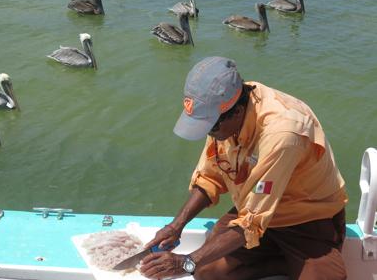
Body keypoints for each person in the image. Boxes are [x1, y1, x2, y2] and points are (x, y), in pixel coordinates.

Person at [139, 56, 348, 280]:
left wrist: (187, 262)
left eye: (211, 128)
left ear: (236, 113)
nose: (210, 134)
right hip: (253, 210)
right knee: (206, 272)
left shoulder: (283, 133)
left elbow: (253, 221)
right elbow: (210, 179)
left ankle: (295, 261)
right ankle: (282, 263)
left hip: (307, 220)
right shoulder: (225, 111)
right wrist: (176, 226)